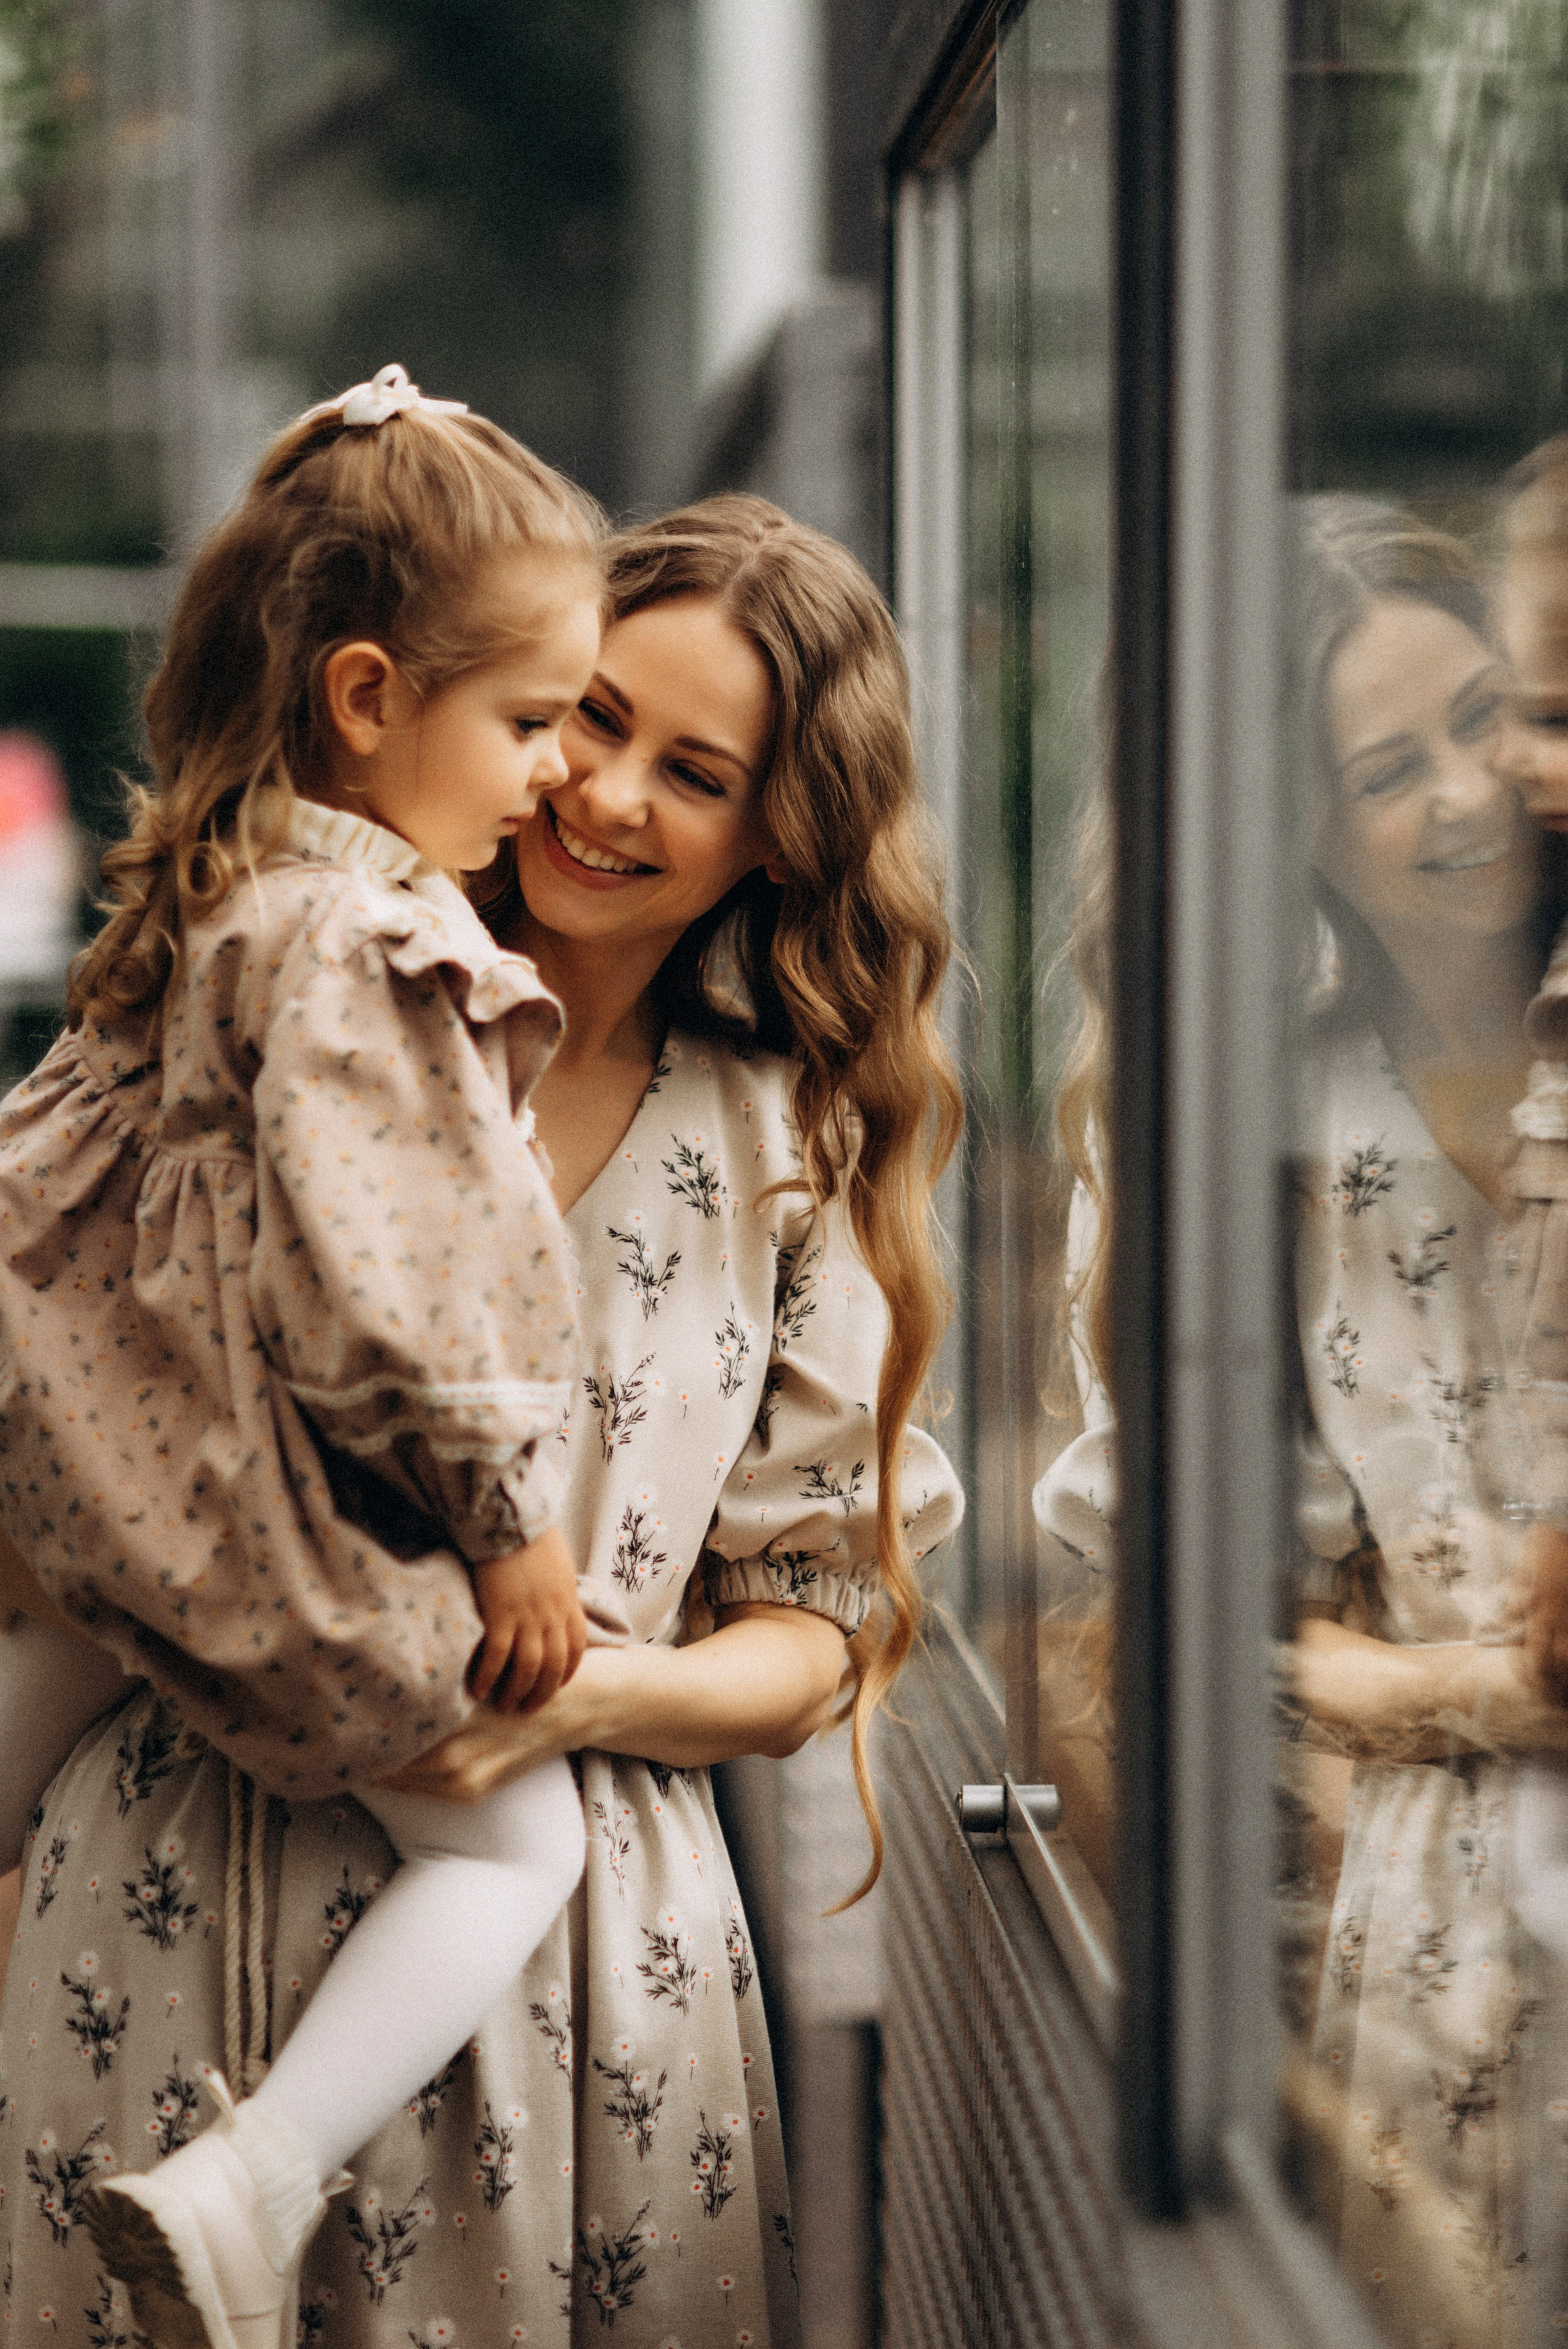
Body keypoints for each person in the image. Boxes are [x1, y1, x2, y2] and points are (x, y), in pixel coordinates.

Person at [0, 492, 963, 2349]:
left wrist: (566, 1694)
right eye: (588, 717)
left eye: (695, 769)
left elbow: (810, 1645)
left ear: (782, 829)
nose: (604, 796)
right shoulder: (280, 976)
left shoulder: (792, 1150)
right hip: (162, 1887)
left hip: (571, 1979)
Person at [0, 364, 636, 2349]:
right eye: (530, 720)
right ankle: (253, 2179)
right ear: (368, 698)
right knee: (523, 1830)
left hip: (105, 1492)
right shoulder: (374, 947)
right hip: (253, 1517)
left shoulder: (204, 908)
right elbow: (402, 1279)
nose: (554, 773)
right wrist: (507, 1519)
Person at [1038, 496, 1568, 2347]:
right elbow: (1219, 1620)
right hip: (1453, 1936)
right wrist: (1484, 1699)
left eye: (1488, 716)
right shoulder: (1270, 1140)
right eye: (1386, 766)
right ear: (1304, 827)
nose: (1469, 791)